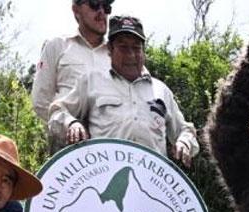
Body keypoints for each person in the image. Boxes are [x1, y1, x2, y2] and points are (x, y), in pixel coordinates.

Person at [48, 16, 199, 167]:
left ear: (143, 51)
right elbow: (57, 112)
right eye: (123, 47)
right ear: (109, 50)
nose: (131, 55)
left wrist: (184, 143)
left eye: (136, 48)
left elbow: (186, 130)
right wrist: (72, 123)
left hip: (152, 184)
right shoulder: (91, 81)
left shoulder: (161, 90)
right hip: (104, 178)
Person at [31, 0, 113, 149]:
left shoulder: (118, 54)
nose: (101, 12)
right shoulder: (57, 45)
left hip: (111, 143)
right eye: (94, 4)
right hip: (67, 144)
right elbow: (41, 101)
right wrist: (66, 125)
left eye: (106, 6)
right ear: (76, 10)